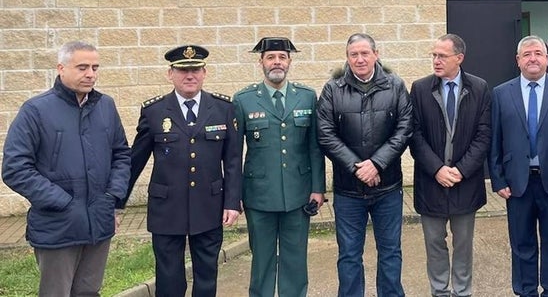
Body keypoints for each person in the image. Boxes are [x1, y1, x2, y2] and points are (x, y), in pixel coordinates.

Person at [2, 41, 131, 296]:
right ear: (61, 68)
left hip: (99, 223)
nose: (91, 74)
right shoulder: (35, 110)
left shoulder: (106, 106)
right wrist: (63, 202)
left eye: (95, 67)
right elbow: (15, 168)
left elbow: (121, 155)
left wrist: (111, 198)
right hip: (57, 226)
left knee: (88, 292)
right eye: (82, 67)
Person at [119, 45, 241, 297]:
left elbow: (232, 160)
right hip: (167, 207)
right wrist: (117, 203)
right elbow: (135, 161)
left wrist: (232, 202)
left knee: (207, 275)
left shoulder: (223, 108)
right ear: (170, 74)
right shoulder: (154, 112)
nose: (189, 75)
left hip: (209, 205)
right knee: (169, 278)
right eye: (183, 70)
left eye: (195, 69)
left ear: (204, 73)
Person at [489, 35, 548, 297]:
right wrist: (498, 179)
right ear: (518, 60)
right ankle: (526, 291)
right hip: (517, 183)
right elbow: (495, 139)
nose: (533, 58)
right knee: (522, 243)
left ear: (547, 58)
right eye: (527, 54)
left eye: (538, 53)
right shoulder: (501, 93)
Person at [317, 33, 414, 297]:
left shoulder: (395, 86)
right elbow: (325, 134)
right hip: (348, 191)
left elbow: (404, 129)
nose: (359, 59)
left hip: (388, 188)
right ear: (347, 57)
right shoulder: (333, 89)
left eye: (364, 53)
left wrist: (377, 164)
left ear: (376, 54)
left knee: (391, 252)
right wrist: (358, 167)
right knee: (349, 256)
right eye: (353, 54)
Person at [233, 37, 326, 297]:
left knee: (295, 261)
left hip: (298, 194)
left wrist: (318, 189)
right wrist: (234, 196)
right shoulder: (243, 99)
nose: (277, 62)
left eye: (282, 57)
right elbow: (233, 154)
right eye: (271, 57)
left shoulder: (307, 97)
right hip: (258, 196)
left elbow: (315, 147)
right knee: (262, 262)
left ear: (289, 62)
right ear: (261, 62)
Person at [409, 33, 492, 297]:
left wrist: (461, 170)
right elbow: (414, 134)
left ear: (459, 58)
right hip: (431, 183)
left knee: (463, 243)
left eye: (442, 56)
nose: (436, 60)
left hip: (464, 183)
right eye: (433, 55)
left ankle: (462, 291)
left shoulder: (479, 88)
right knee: (434, 243)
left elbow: (484, 134)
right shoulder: (420, 89)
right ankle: (439, 291)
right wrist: (437, 169)